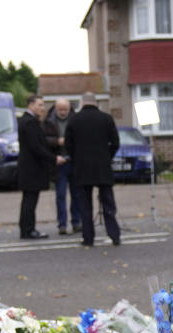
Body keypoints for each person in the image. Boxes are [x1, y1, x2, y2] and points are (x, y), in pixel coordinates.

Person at [66, 92, 121, 247]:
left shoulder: (74, 120)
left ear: (82, 103)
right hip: (102, 167)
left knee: (85, 205)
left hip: (82, 168)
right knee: (108, 202)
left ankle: (88, 238)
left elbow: (68, 146)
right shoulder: (106, 119)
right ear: (96, 103)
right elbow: (115, 143)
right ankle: (114, 234)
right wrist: (107, 157)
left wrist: (76, 159)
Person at [17, 94, 65, 240]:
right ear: (30, 105)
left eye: (43, 105)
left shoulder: (25, 120)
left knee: (28, 200)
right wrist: (53, 159)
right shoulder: (30, 122)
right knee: (30, 201)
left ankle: (27, 229)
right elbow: (36, 147)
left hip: (27, 168)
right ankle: (28, 230)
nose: (42, 108)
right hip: (32, 169)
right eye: (39, 105)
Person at [44, 98, 82, 235]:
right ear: (55, 108)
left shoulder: (75, 119)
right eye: (60, 109)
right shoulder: (48, 121)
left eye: (65, 109)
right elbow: (44, 139)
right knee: (60, 195)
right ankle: (62, 224)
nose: (63, 112)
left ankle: (77, 222)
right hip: (59, 163)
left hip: (73, 161)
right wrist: (56, 142)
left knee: (76, 194)